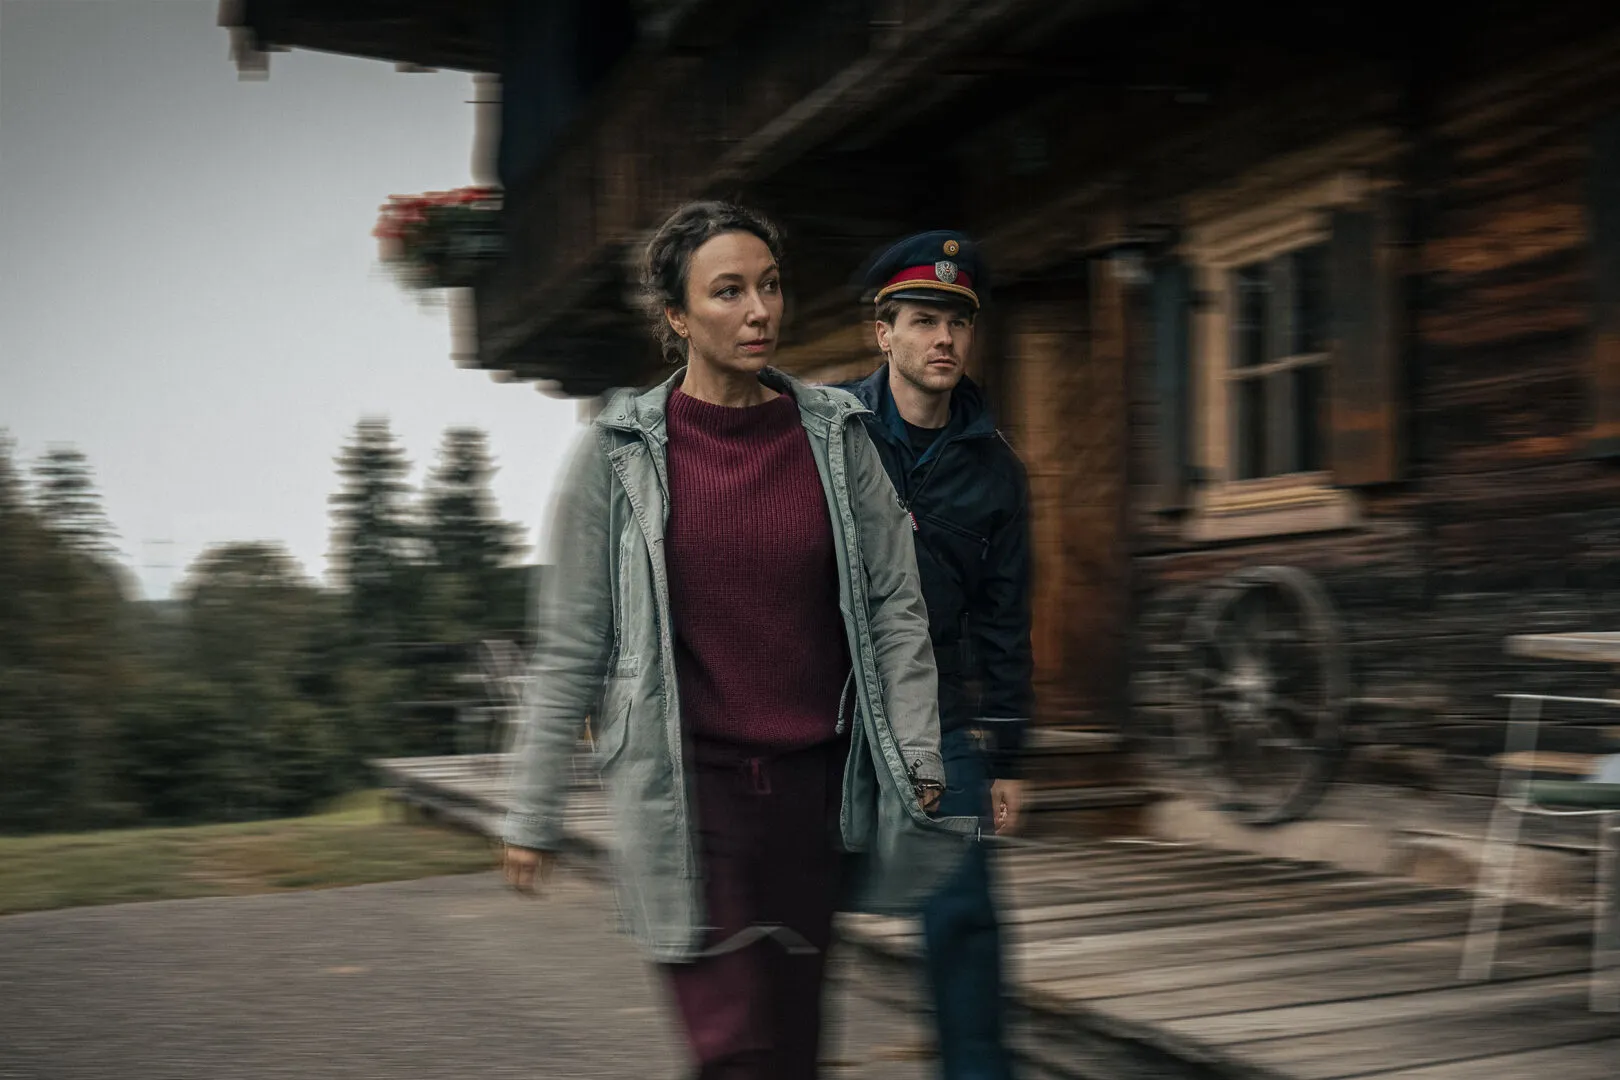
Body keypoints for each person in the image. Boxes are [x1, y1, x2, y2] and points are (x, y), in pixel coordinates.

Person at [501, 202, 973, 1080]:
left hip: (812, 799)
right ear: (677, 317)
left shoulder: (836, 440)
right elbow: (569, 645)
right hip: (688, 799)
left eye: (769, 285)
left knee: (792, 1047)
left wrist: (916, 756)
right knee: (734, 1049)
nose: (760, 310)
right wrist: (532, 813)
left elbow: (894, 609)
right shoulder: (616, 456)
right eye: (729, 292)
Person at [845, 230, 1034, 1080]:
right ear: (883, 332)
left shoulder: (996, 471)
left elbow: (1004, 619)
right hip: (826, 716)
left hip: (940, 725)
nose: (944, 340)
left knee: (965, 920)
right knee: (784, 920)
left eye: (958, 323)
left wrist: (1010, 755)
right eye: (922, 320)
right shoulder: (827, 435)